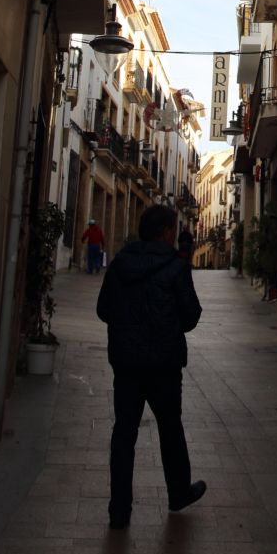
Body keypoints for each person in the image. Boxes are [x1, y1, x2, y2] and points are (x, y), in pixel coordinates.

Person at [96, 203, 205, 527]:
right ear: (167, 232)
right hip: (164, 365)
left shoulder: (120, 264)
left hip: (127, 363)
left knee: (123, 433)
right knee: (170, 428)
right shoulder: (175, 266)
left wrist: (128, 324)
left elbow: (103, 310)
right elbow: (191, 317)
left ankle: (119, 510)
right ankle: (178, 493)